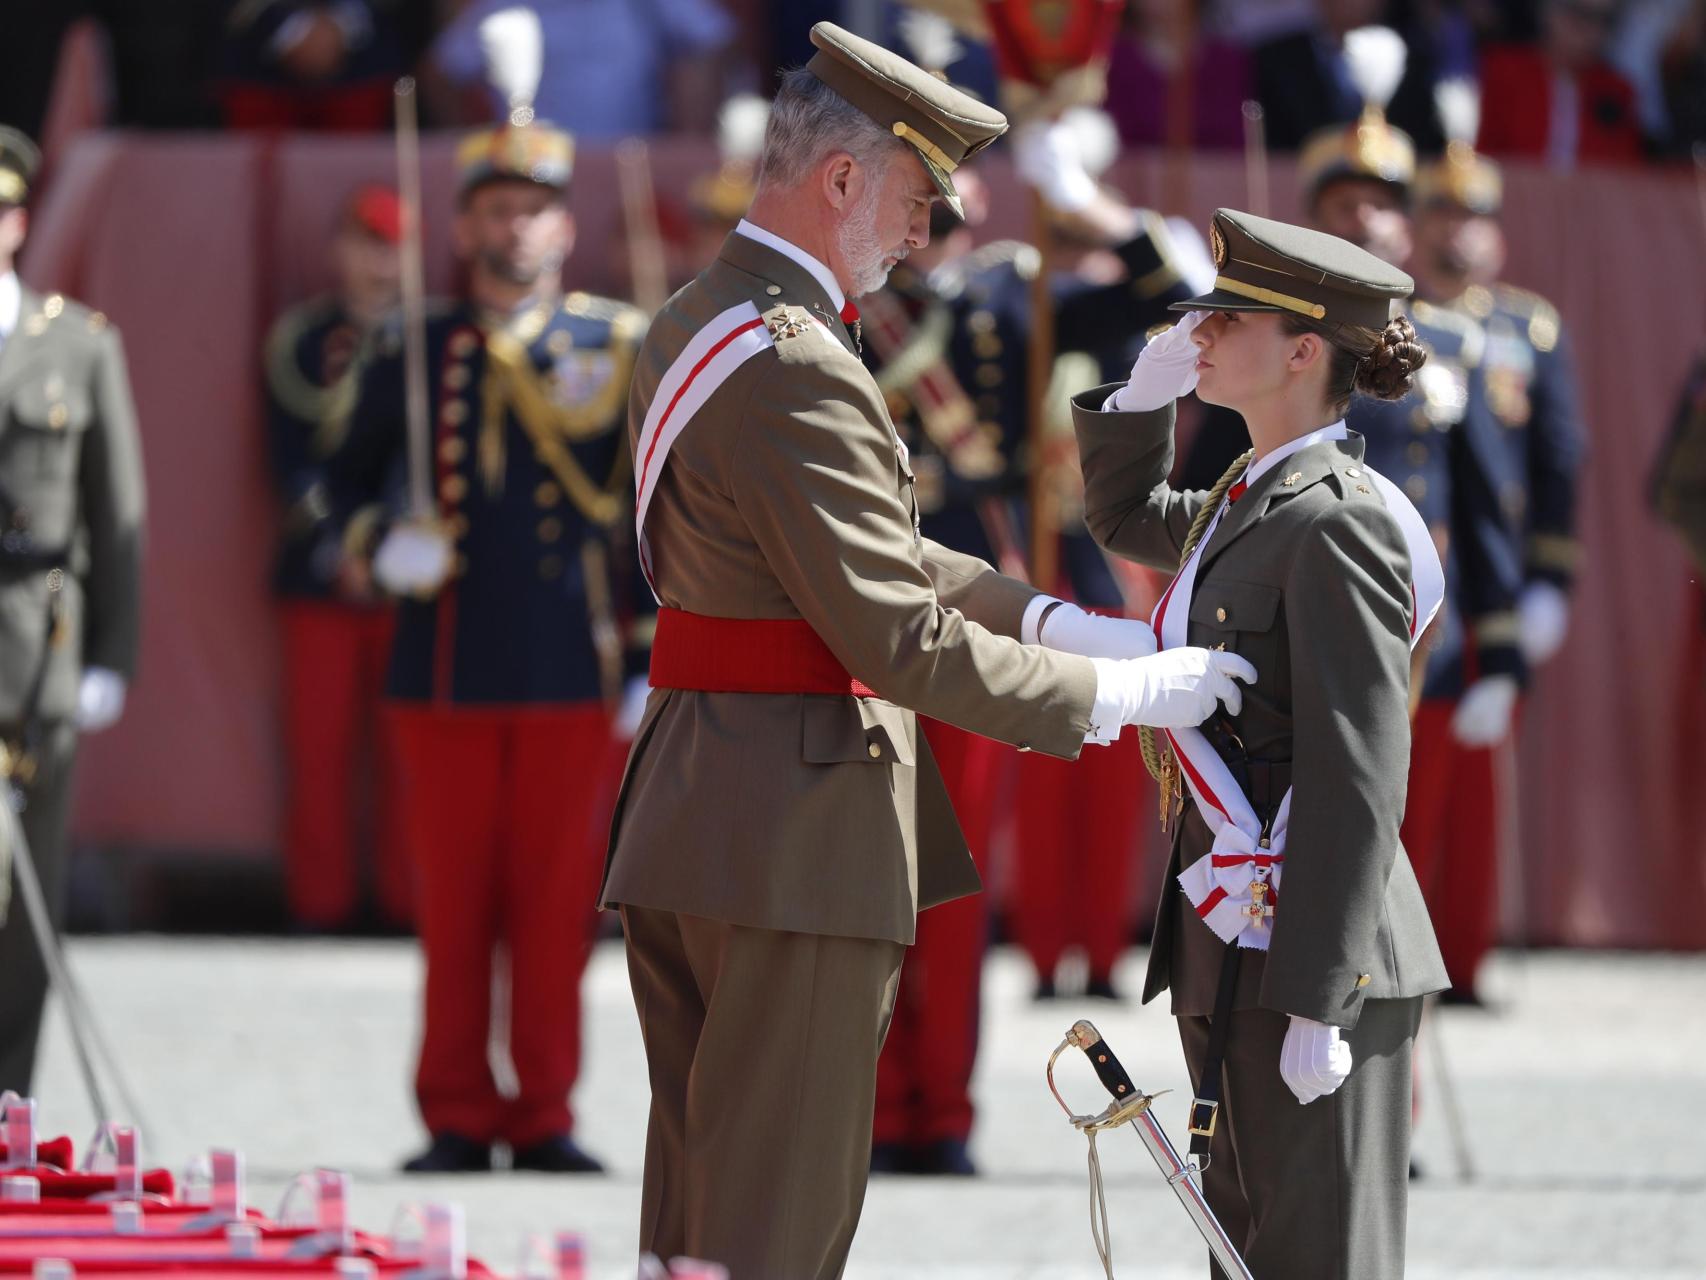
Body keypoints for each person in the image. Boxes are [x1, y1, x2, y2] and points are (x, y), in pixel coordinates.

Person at [599, 23, 1253, 1277]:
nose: (921, 232)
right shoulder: (796, 359)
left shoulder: (707, 312)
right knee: (770, 1222)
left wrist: (1057, 620)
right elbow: (893, 627)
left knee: (697, 1204)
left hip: (704, 799)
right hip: (793, 827)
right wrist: (1116, 691)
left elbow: (872, 552)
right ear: (839, 180)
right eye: (913, 198)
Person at [1072, 207, 1450, 1279]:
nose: (1197, 331)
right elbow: (1128, 513)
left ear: (1301, 349)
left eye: (1225, 315)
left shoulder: (1336, 518)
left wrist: (1317, 995)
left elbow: (1357, 767)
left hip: (1310, 958)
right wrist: (1134, 404)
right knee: (1239, 1251)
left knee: (1318, 1257)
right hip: (1230, 935)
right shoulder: (1251, 492)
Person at [859, 154, 1198, 1175]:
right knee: (864, 873)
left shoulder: (1010, 303)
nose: (927, 236)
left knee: (950, 882)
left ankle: (939, 1109)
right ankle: (866, 1107)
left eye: (938, 215)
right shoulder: (834, 310)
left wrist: (1096, 203)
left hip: (968, 614)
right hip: (857, 605)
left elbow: (1163, 297)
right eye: (911, 214)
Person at [328, 117, 649, 1174]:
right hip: (444, 662)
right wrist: (382, 545)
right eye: (495, 209)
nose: (515, 227)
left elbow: (655, 516)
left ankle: (545, 1110)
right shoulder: (414, 345)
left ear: (565, 226)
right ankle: (457, 1110)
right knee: (454, 907)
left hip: (568, 661)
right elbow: (330, 490)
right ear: (464, 225)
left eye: (533, 209)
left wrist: (649, 653)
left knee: (556, 909)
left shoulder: (611, 345)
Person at [0, 126, 144, 1095]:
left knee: (26, 897)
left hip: (34, 647)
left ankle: (9, 1097)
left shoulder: (78, 342)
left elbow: (117, 506)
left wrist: (111, 654)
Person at [263, 183, 409, 932]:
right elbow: (292, 462)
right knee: (316, 750)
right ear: (339, 250)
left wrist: (385, 550)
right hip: (318, 574)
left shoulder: (434, 338)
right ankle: (317, 903)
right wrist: (339, 550)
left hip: (407, 575)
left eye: (391, 246)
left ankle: (406, 900)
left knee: (407, 754)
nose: (379, 262)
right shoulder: (302, 341)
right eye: (366, 243)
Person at [1477, 0, 1644, 166]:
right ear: (1549, 12)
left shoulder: (1617, 90)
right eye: (1579, 15)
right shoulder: (1504, 72)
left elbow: (1623, 170)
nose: (1592, 31)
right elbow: (1482, 157)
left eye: (1605, 20)